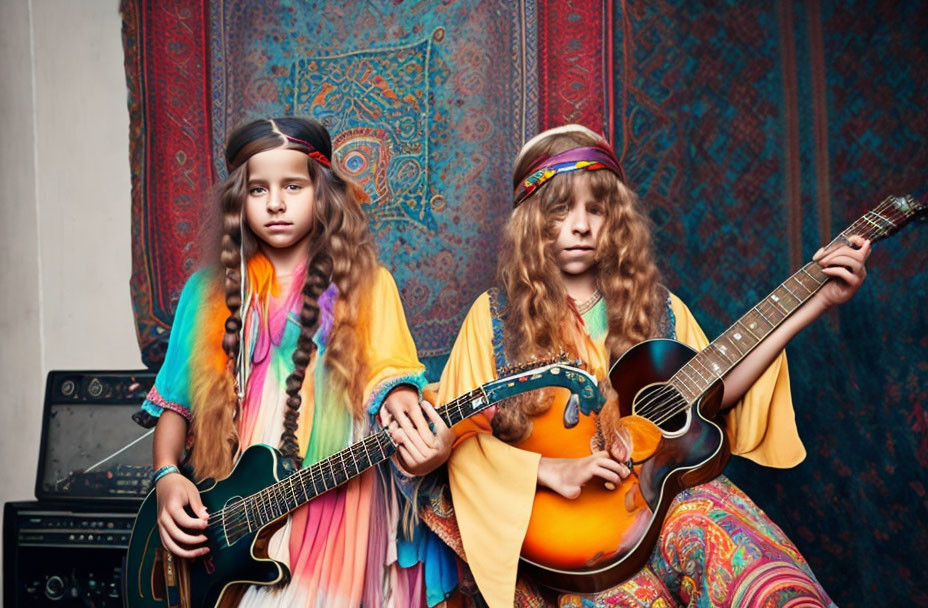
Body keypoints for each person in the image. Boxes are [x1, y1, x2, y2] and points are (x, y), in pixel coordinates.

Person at [435, 124, 869, 607]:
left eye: (596, 210)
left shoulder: (659, 308)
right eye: (561, 210)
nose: (581, 226)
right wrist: (549, 470)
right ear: (531, 222)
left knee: (756, 570)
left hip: (668, 501)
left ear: (616, 220)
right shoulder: (492, 319)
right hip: (579, 543)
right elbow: (455, 442)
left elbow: (716, 391)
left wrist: (816, 301)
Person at [139, 117, 452, 607]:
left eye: (293, 186)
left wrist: (405, 404)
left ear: (322, 193)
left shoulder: (369, 285)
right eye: (258, 190)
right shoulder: (205, 295)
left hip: (340, 503)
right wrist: (166, 476)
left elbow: (393, 378)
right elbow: (176, 405)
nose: (276, 203)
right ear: (237, 203)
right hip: (239, 510)